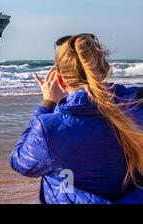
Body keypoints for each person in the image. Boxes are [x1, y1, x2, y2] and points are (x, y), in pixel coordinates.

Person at [10, 33, 143, 204]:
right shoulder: (137, 105)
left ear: (59, 79)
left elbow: (21, 163)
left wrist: (47, 104)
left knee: (57, 177)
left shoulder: (49, 128)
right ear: (106, 69)